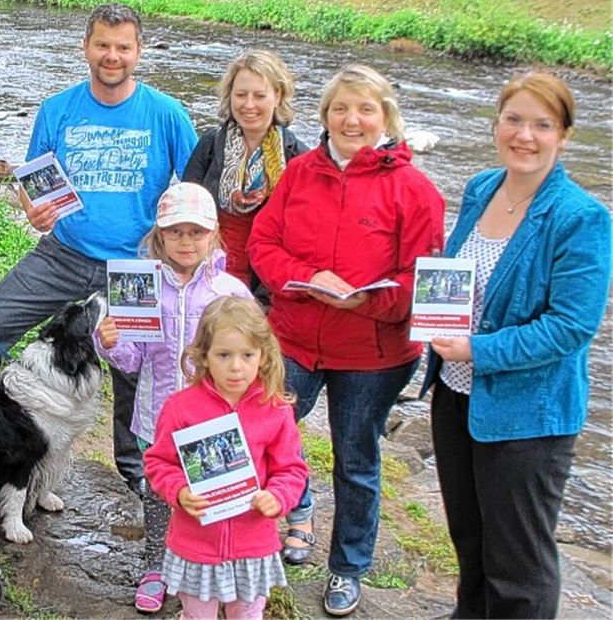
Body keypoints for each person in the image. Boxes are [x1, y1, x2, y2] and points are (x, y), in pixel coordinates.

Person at [0, 2, 198, 493]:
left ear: (139, 52)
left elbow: (194, 191)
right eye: (103, 45)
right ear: (86, 47)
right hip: (62, 255)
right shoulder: (58, 109)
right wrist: (32, 207)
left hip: (134, 265)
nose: (113, 56)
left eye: (123, 47)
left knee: (140, 369)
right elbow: (33, 181)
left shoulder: (167, 114)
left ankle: (137, 477)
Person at [247, 64, 445, 616]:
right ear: (324, 116)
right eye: (340, 108)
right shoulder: (299, 173)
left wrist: (366, 301)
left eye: (364, 109)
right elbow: (264, 245)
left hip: (373, 353)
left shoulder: (416, 190)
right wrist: (307, 277)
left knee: (356, 460)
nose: (351, 119)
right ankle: (262, 546)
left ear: (385, 117)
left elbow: (423, 284)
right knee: (264, 438)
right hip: (294, 339)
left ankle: (347, 568)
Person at [423, 71, 611, 619]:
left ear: (564, 135)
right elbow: (460, 277)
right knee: (472, 542)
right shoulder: (482, 186)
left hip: (529, 415)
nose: (524, 135)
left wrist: (479, 350)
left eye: (541, 125)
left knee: (520, 568)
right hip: (456, 397)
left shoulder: (582, 218)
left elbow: (572, 328)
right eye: (514, 119)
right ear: (497, 123)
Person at [94, 182, 252, 613]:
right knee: (161, 494)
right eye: (175, 232)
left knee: (214, 496)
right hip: (157, 417)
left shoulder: (232, 292)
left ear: (214, 233)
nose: (185, 241)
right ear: (159, 235)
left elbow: (254, 354)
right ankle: (157, 568)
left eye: (195, 232)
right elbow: (131, 360)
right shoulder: (141, 287)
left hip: (216, 421)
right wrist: (110, 341)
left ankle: (210, 568)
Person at [144, 297, 308, 620]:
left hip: (253, 545)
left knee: (247, 615)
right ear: (203, 356)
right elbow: (158, 462)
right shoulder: (180, 407)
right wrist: (178, 491)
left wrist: (278, 497)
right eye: (223, 355)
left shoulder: (275, 409)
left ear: (262, 356)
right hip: (196, 544)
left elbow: (291, 468)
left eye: (247, 355)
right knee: (197, 615)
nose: (236, 366)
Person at [182, 50, 307, 289]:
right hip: (207, 274)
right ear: (230, 96)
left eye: (260, 95)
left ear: (278, 96)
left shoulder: (298, 157)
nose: (249, 105)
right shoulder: (210, 143)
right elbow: (188, 208)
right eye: (241, 94)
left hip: (265, 282)